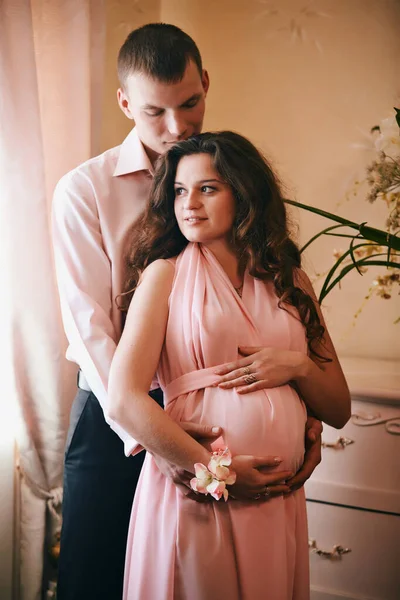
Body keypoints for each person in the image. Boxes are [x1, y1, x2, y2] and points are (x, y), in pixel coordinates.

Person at [52, 24, 323, 600]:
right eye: (155, 112)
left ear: (205, 82)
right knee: (93, 576)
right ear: (125, 103)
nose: (178, 127)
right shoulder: (84, 191)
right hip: (116, 413)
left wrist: (304, 410)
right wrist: (156, 438)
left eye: (190, 103)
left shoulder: (230, 175)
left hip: (217, 412)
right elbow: (89, 327)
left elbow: (271, 298)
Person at [109, 131, 351, 599]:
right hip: (199, 495)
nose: (189, 204)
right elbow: (123, 399)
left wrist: (298, 367)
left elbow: (339, 407)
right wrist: (218, 472)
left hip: (275, 499)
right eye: (179, 190)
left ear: (243, 194)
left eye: (207, 188)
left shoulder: (289, 279)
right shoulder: (165, 274)